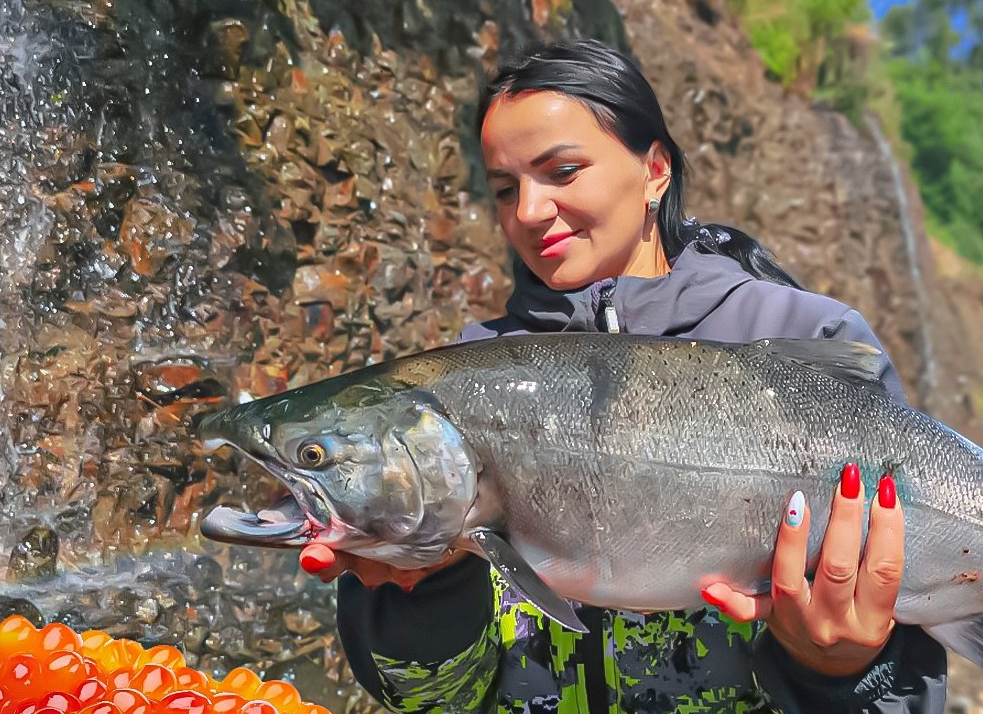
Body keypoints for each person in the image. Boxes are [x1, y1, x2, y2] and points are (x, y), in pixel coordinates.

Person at [295, 39, 948, 713]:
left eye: (562, 171)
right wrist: (422, 587)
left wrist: (839, 667)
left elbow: (908, 692)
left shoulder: (810, 339)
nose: (528, 211)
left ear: (655, 169)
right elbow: (435, 702)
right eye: (505, 189)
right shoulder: (446, 405)